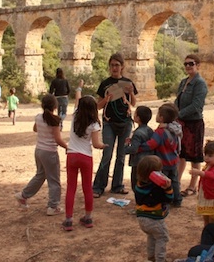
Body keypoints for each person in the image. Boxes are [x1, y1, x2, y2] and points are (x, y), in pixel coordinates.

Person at [92, 53, 138, 198]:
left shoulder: (128, 82)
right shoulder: (105, 84)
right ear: (109, 66)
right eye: (112, 65)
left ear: (122, 66)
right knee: (107, 154)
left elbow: (134, 104)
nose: (114, 68)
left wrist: (131, 93)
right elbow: (98, 107)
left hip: (125, 123)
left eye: (117, 65)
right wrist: (106, 99)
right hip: (109, 123)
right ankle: (99, 186)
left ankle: (117, 185)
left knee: (121, 156)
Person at [14, 94, 68, 216]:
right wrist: (67, 147)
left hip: (39, 150)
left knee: (40, 175)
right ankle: (53, 206)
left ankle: (23, 195)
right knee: (54, 180)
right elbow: (58, 139)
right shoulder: (55, 120)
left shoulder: (38, 117)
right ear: (55, 106)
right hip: (49, 152)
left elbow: (35, 129)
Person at [62, 91, 107, 231]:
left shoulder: (75, 115)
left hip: (72, 155)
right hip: (86, 157)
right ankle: (87, 218)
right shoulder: (94, 124)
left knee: (71, 187)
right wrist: (104, 146)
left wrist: (79, 89)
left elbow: (77, 99)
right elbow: (95, 144)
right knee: (87, 187)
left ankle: (68, 219)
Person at [175, 54, 208, 197]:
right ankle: (176, 182)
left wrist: (179, 114)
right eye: (186, 64)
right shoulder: (183, 82)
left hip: (194, 123)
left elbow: (197, 105)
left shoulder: (200, 83)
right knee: (181, 153)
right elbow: (178, 100)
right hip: (182, 122)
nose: (188, 66)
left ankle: (192, 186)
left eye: (191, 63)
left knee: (194, 155)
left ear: (198, 65)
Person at [139, 103, 183, 207]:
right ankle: (177, 200)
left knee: (162, 182)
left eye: (158, 114)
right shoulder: (175, 129)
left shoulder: (160, 132)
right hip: (174, 160)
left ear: (161, 117)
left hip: (163, 161)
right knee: (175, 181)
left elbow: (152, 144)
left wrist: (140, 147)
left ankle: (164, 201)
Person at [134, 155, 174, 262]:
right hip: (154, 219)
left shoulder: (138, 185)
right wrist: (168, 188)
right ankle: (160, 259)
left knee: (152, 236)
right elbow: (169, 199)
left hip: (142, 218)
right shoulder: (156, 189)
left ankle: (152, 256)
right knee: (162, 237)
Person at [189, 140, 214, 227]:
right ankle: (207, 234)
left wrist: (198, 172)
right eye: (205, 155)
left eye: (210, 156)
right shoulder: (208, 166)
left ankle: (211, 236)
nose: (206, 158)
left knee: (213, 221)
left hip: (213, 198)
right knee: (206, 218)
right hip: (206, 196)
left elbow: (211, 175)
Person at [124, 105, 154, 189]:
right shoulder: (150, 130)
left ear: (138, 118)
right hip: (149, 160)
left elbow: (134, 149)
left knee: (136, 184)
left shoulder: (137, 133)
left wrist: (125, 147)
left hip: (138, 162)